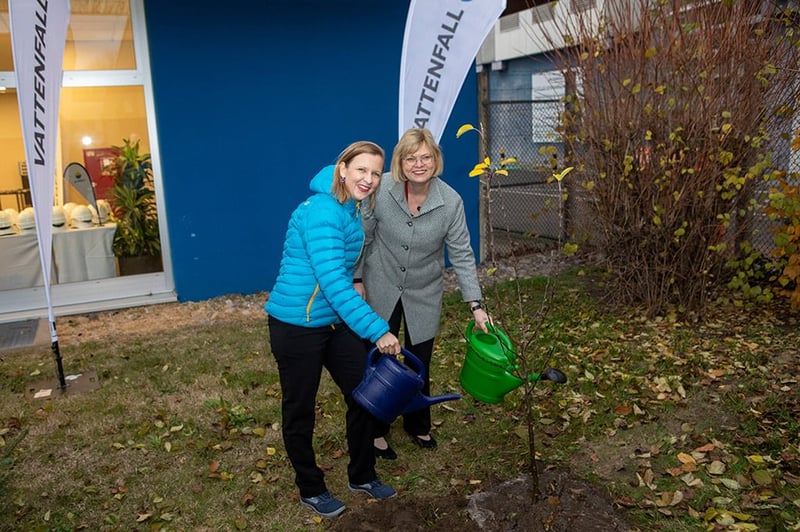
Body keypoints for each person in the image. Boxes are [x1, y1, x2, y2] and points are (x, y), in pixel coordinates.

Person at [265, 140, 402, 519]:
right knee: (300, 408)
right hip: (297, 325)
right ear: (342, 168)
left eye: (376, 173)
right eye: (362, 170)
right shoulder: (322, 211)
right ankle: (310, 487)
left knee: (363, 393)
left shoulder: (348, 206)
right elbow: (332, 282)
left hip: (332, 320)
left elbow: (341, 276)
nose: (370, 179)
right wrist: (378, 330)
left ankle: (362, 473)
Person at [355, 128, 491, 460]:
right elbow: (363, 235)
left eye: (426, 157)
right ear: (401, 162)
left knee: (420, 361)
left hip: (423, 290)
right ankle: (375, 430)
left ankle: (417, 424)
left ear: (436, 160)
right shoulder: (382, 187)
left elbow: (460, 253)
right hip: (381, 281)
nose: (419, 164)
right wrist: (357, 278)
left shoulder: (451, 202)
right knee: (377, 359)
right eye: (411, 158)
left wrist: (476, 305)